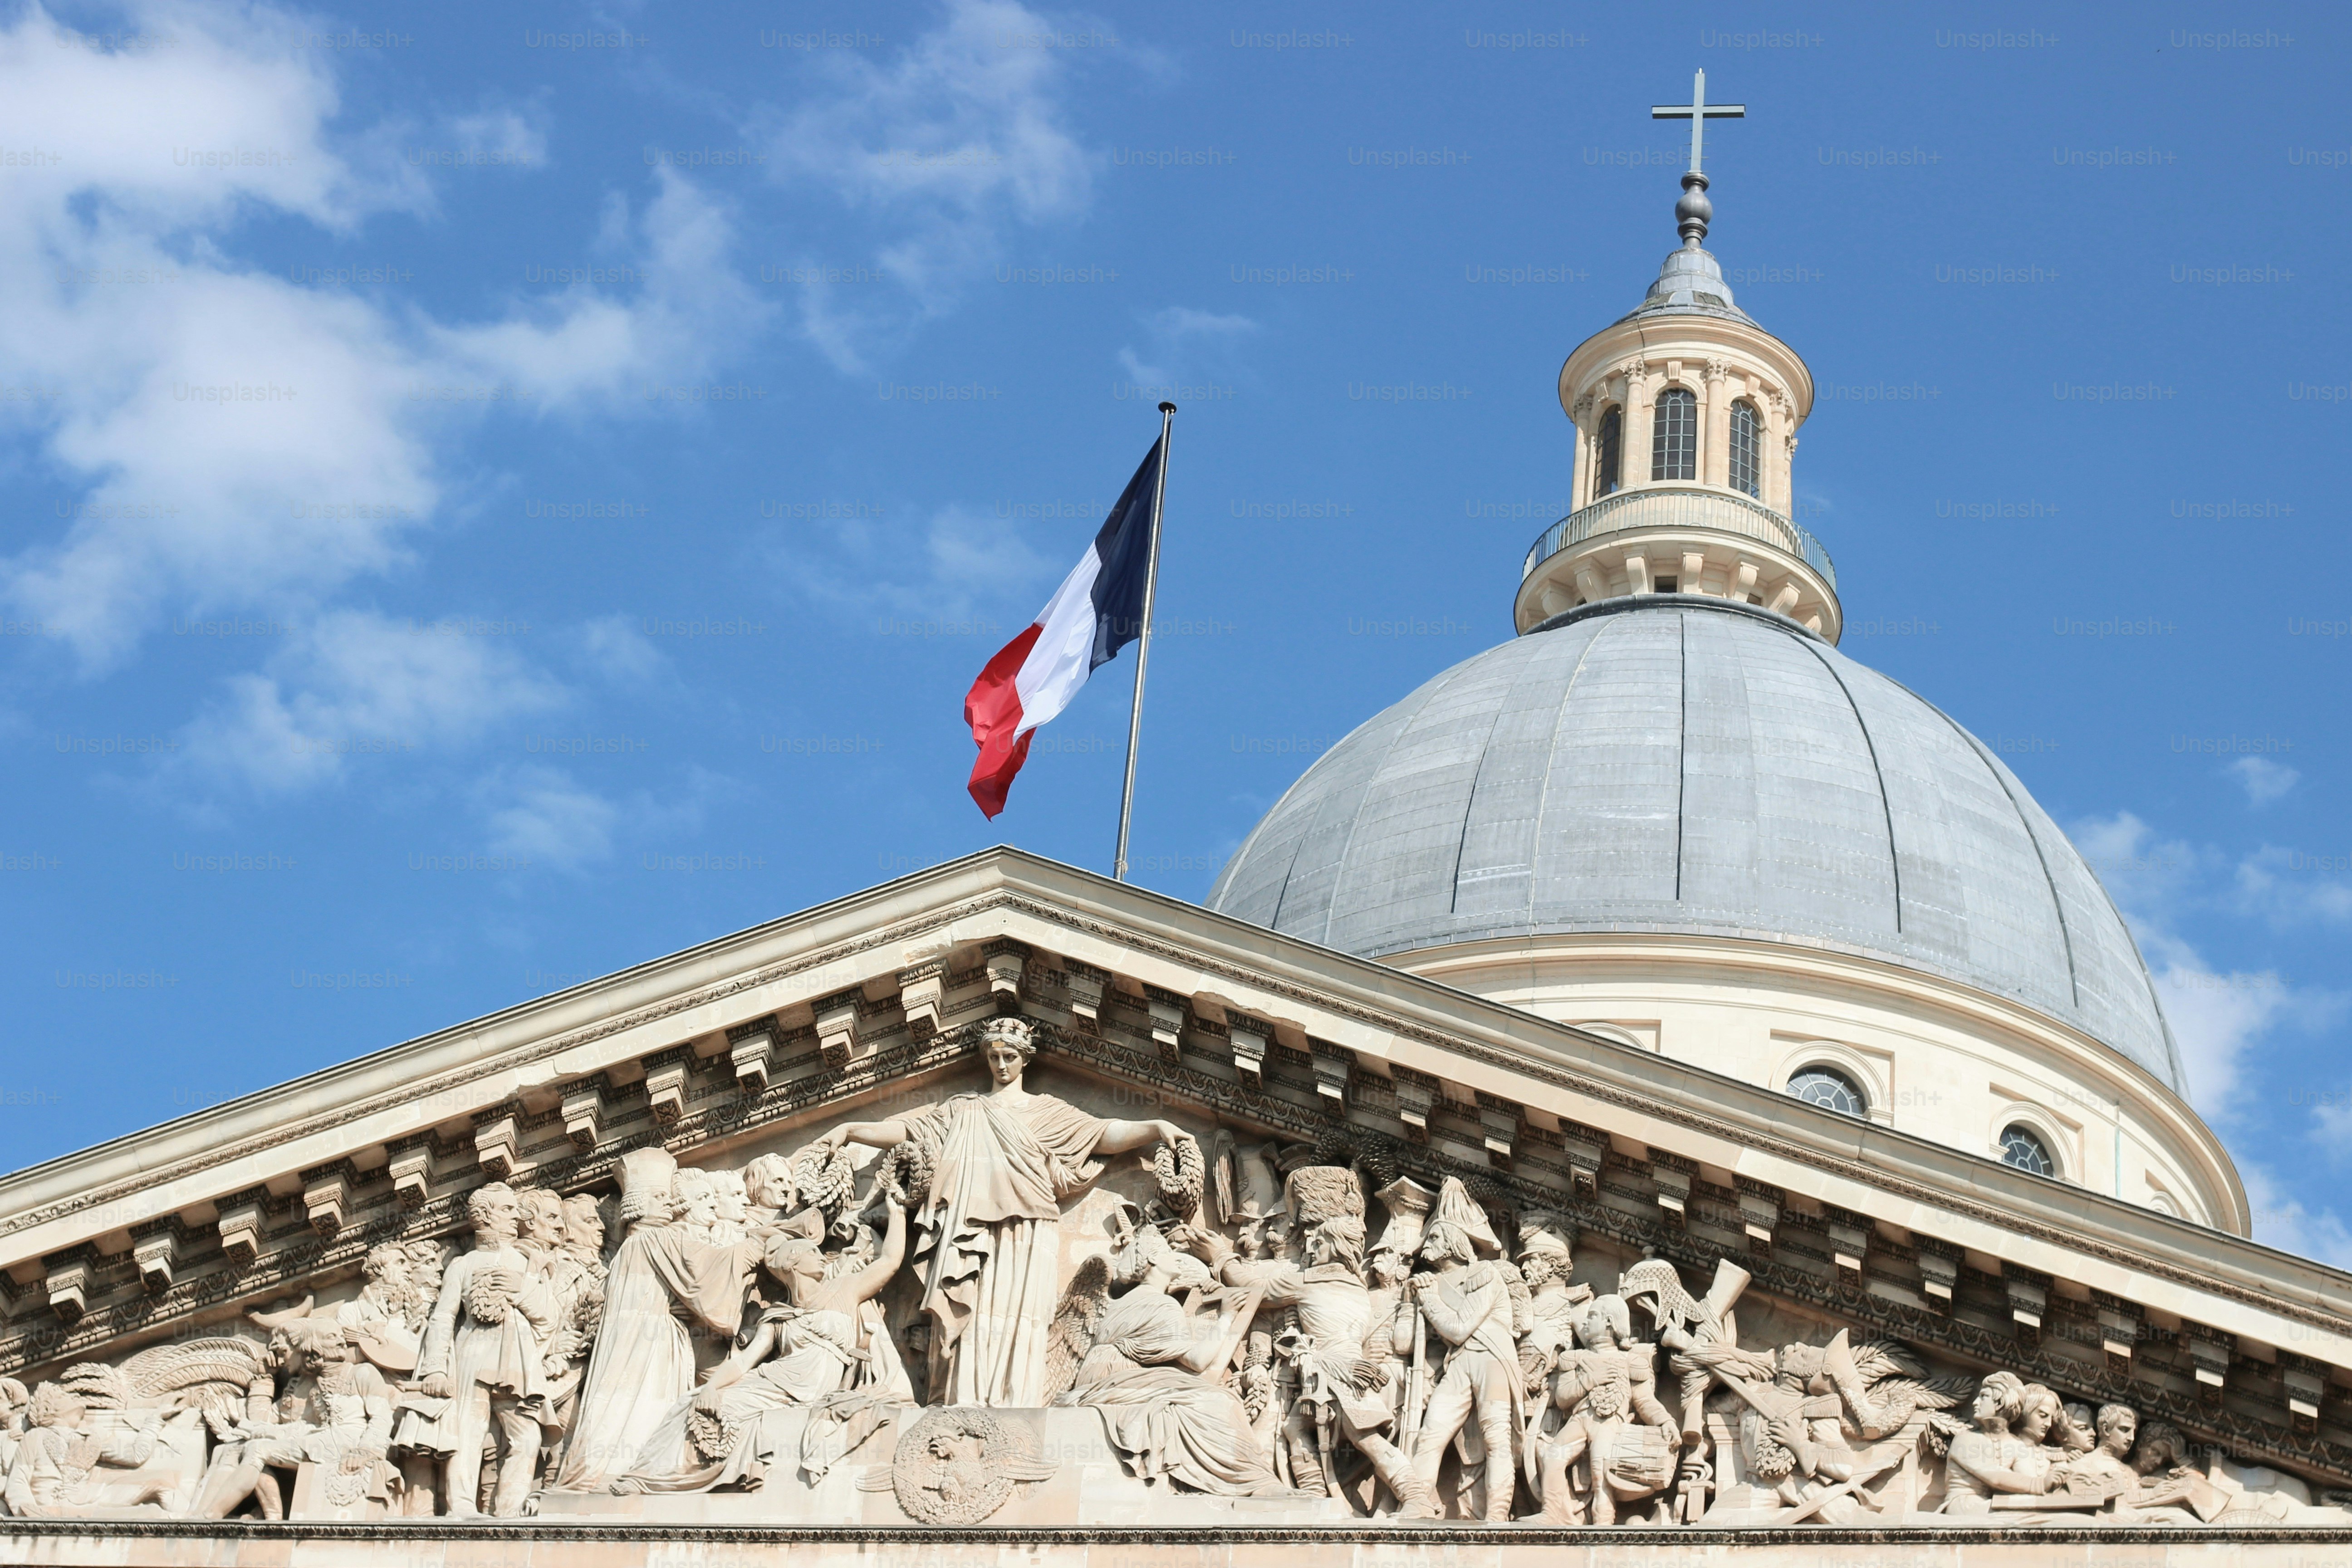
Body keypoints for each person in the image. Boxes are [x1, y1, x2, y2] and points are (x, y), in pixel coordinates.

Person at [806, 1016, 1195, 1407]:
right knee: (966, 1316)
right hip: (965, 1228)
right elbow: (910, 1131)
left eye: (1009, 1056)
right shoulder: (963, 1110)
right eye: (994, 1057)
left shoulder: (1047, 1113)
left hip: (1026, 1232)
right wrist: (852, 1129)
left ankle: (1017, 1403)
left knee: (1018, 1317)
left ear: (1026, 1059)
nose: (1001, 1065)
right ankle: (963, 1400)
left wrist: (1155, 1125)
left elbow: (1103, 1135)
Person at [612, 1195, 911, 1492]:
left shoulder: (845, 1289)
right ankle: (650, 1478)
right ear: (793, 1262)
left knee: (706, 1407)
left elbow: (890, 1261)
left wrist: (897, 1214)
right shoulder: (778, 1315)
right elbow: (744, 1362)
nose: (822, 1256)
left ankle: (663, 1479)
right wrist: (713, 1388)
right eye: (811, 1252)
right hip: (773, 1385)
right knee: (691, 1404)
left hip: (812, 1388)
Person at [554, 1150, 755, 1493]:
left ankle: (603, 1475)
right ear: (639, 1203)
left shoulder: (630, 1248)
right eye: (660, 1197)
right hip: (654, 1345)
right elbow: (706, 1277)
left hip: (632, 1344)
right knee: (648, 1409)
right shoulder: (656, 1239)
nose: (670, 1202)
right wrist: (761, 1241)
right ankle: (631, 1476)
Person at [1064, 1254, 1290, 1496]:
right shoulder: (1161, 1304)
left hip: (1105, 1375)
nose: (1179, 1260)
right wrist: (1227, 1315)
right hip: (1118, 1377)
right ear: (1153, 1259)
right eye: (1171, 1256)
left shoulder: (1130, 1300)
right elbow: (1198, 1361)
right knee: (1220, 1401)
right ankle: (1252, 1482)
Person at [397, 1182, 558, 1518]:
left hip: (517, 1357)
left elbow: (549, 1317)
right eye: (508, 1209)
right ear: (484, 1215)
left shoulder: (528, 1261)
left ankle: (510, 1511)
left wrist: (523, 1289)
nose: (518, 1217)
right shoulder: (463, 1265)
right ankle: (462, 1508)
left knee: (527, 1437)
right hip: (472, 1350)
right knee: (467, 1432)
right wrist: (437, 1368)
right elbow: (442, 1317)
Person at [1406, 1179, 1522, 1521]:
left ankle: (1497, 1518)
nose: (1429, 1242)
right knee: (1430, 1434)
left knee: (1495, 1437)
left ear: (1456, 1243)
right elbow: (1406, 1342)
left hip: (1492, 1359)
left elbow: (1458, 1328)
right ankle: (1416, 1504)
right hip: (1458, 1364)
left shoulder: (1484, 1273)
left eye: (1437, 1236)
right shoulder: (1429, 1282)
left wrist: (1427, 1300)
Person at [1940, 1371, 2058, 1515]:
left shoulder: (2016, 1444)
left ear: (2000, 1403)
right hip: (1964, 1508)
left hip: (1994, 1508)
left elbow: (2030, 1481)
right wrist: (2039, 1484)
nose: (1975, 1402)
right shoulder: (1965, 1439)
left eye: (1983, 1397)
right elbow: (1995, 1477)